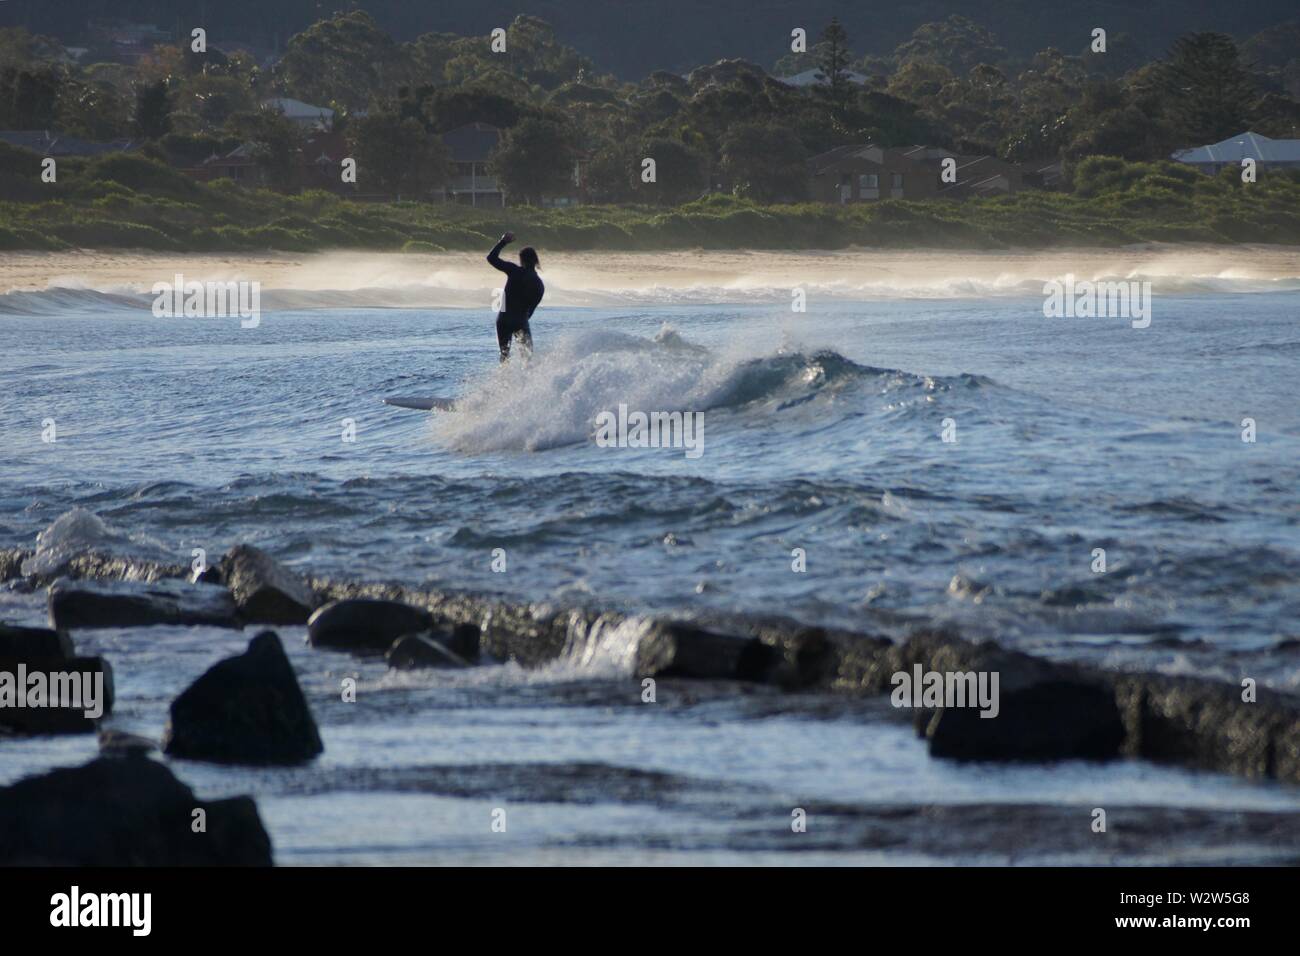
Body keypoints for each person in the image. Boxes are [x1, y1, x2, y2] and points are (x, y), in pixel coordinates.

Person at [486, 232, 544, 362]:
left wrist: (503, 242)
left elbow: (491, 258)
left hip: (503, 320)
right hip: (520, 320)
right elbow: (531, 310)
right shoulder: (538, 284)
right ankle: (526, 381)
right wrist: (521, 319)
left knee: (504, 356)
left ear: (521, 259)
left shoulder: (514, 270)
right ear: (535, 261)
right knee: (527, 358)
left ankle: (503, 380)